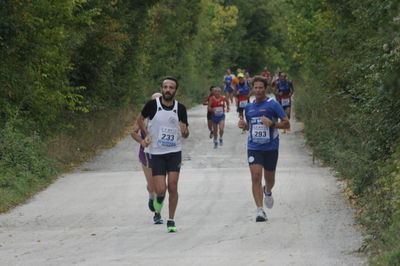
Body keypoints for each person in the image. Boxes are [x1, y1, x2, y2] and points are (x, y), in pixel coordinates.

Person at [137, 77, 189, 232]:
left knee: (173, 186)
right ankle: (159, 198)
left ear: (175, 90)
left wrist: (184, 131)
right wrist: (146, 134)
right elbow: (139, 120)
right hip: (157, 152)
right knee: (160, 189)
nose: (168, 90)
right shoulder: (152, 105)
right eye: (165, 87)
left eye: (171, 87)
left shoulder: (181, 108)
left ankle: (171, 220)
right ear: (162, 89)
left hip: (174, 152)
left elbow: (186, 133)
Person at [238, 76, 290, 222]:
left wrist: (272, 124)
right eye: (256, 87)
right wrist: (244, 126)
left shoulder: (273, 105)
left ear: (265, 88)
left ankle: (267, 191)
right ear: (252, 89)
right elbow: (250, 126)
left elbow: (286, 123)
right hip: (254, 147)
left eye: (261, 87)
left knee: (270, 179)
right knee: (255, 176)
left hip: (271, 147)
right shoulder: (248, 107)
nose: (258, 90)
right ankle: (260, 210)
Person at [131, 92, 163, 224]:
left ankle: (157, 214)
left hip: (162, 153)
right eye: (153, 101)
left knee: (160, 185)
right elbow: (133, 132)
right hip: (146, 154)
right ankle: (151, 196)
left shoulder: (167, 115)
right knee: (152, 185)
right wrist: (142, 141)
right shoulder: (144, 117)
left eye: (159, 100)